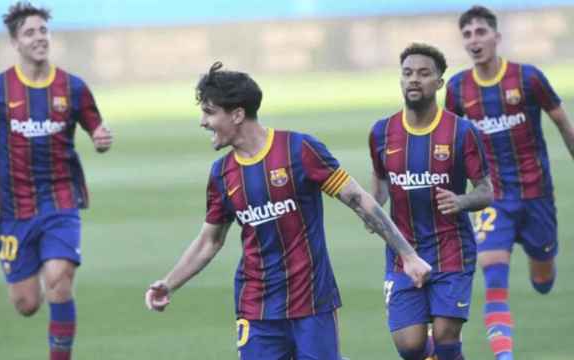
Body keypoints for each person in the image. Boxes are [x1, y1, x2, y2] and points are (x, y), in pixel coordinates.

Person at [145, 61, 431, 359]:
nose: (203, 122)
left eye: (209, 112)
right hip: (256, 307)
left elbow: (358, 199)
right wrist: (169, 283)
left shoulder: (299, 149)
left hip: (312, 302)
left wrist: (408, 255)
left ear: (238, 114)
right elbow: (210, 241)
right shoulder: (222, 174)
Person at [0, 2, 112, 359]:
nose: (40, 37)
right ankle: (35, 277)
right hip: (13, 206)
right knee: (26, 303)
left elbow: (97, 131)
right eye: (30, 32)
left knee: (59, 278)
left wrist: (102, 139)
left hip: (61, 200)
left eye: (43, 30)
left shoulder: (74, 88)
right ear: (15, 42)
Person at [445, 6, 574, 359]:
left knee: (543, 280)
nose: (475, 39)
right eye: (468, 34)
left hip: (536, 196)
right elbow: (453, 143)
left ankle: (542, 262)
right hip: (492, 198)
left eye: (481, 32)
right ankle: (505, 356)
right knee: (493, 278)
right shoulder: (457, 89)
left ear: (496, 37)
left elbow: (563, 123)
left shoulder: (528, 78)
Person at [368, 43, 493, 360]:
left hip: (452, 249)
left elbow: (486, 190)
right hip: (402, 251)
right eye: (408, 73)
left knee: (445, 338)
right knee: (410, 346)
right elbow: (381, 179)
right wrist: (372, 208)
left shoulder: (461, 132)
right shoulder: (382, 132)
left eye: (424, 74)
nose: (414, 80)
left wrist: (462, 201)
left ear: (439, 83)